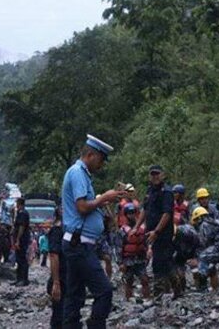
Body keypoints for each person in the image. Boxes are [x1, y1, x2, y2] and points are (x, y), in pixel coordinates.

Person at [61, 135, 128, 329]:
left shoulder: (82, 174)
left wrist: (105, 201)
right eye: (101, 159)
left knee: (75, 295)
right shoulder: (78, 173)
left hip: (79, 242)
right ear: (90, 155)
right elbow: (82, 207)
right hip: (79, 243)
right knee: (104, 290)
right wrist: (103, 198)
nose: (102, 165)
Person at [133, 165, 180, 297]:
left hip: (163, 234)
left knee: (160, 262)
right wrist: (136, 227)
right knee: (163, 261)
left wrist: (157, 231)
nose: (155, 177)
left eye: (157, 174)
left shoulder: (167, 192)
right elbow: (145, 210)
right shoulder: (149, 191)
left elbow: (167, 214)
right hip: (150, 233)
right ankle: (174, 290)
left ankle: (160, 293)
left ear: (163, 175)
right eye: (152, 174)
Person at [115, 203, 150, 299]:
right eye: (129, 213)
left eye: (133, 212)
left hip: (140, 258)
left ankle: (147, 299)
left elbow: (146, 242)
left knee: (145, 279)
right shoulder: (122, 230)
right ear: (126, 215)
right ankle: (128, 301)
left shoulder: (142, 228)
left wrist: (149, 251)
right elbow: (118, 247)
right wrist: (120, 263)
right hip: (128, 260)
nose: (132, 215)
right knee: (129, 281)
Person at [47, 206, 66, 329]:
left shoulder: (65, 230)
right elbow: (54, 256)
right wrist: (56, 282)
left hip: (67, 278)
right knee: (59, 315)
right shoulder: (57, 231)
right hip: (61, 279)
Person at [173, 223, 202, 291]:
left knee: (195, 269)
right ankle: (182, 289)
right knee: (179, 272)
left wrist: (196, 257)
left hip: (192, 250)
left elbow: (199, 244)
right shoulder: (168, 236)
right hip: (180, 251)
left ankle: (199, 287)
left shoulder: (188, 233)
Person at [12, 198, 30, 285]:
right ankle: (19, 279)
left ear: (20, 204)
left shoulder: (23, 213)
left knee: (22, 259)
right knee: (18, 259)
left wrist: (18, 240)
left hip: (22, 240)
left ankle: (24, 279)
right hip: (20, 239)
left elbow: (21, 227)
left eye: (17, 204)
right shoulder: (20, 213)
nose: (16, 206)